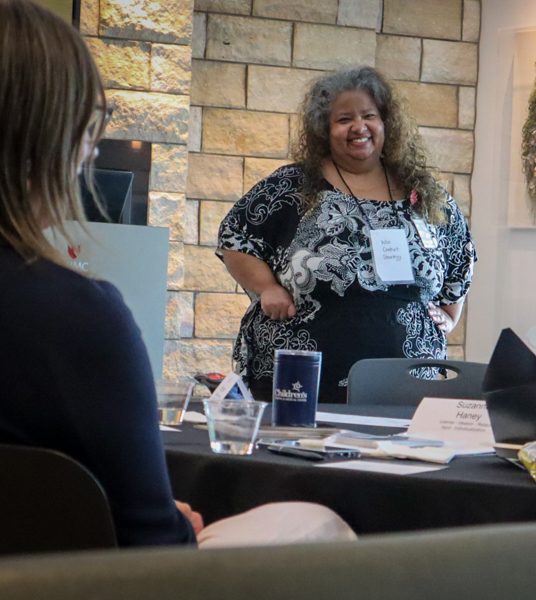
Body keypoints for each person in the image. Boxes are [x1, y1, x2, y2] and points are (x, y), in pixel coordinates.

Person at [0, 0, 354, 549]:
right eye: (93, 121)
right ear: (49, 134)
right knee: (317, 523)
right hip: (87, 585)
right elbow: (153, 544)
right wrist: (170, 521)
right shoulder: (79, 317)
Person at [218, 66, 476, 404]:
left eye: (369, 115)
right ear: (325, 129)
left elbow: (460, 257)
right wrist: (266, 288)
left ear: (387, 124)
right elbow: (236, 237)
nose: (359, 127)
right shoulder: (292, 187)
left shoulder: (424, 193)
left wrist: (450, 315)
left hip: (406, 385)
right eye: (343, 119)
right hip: (300, 382)